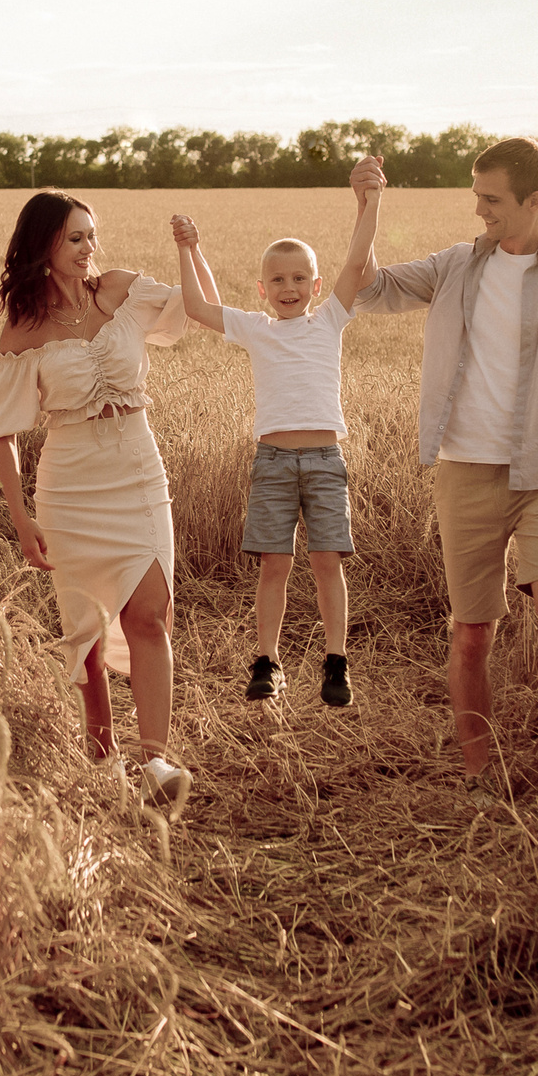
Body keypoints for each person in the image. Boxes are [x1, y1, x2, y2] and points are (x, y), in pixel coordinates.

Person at [348, 140, 538, 816]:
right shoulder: (455, 266)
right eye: (476, 195)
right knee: (471, 631)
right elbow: (366, 289)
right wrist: (368, 207)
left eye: (491, 199)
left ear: (533, 202)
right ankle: (481, 777)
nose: (477, 209)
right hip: (465, 474)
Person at [0, 190, 212, 814]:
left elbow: (198, 308)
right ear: (44, 248)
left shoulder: (121, 292)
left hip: (138, 474)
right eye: (76, 238)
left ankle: (156, 760)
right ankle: (103, 759)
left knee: (149, 614)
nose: (90, 249)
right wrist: (20, 516)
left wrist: (190, 250)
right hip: (71, 486)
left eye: (92, 235)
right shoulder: (24, 329)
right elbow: (1, 431)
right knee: (83, 631)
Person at [167, 174, 379, 708]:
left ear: (315, 283)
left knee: (328, 560)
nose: (289, 288)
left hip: (327, 459)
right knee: (274, 565)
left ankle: (336, 661)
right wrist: (189, 248)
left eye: (300, 278)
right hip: (274, 461)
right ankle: (267, 660)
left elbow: (357, 263)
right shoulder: (256, 327)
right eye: (278, 280)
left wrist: (368, 202)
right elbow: (196, 308)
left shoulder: (331, 319)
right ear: (262, 290)